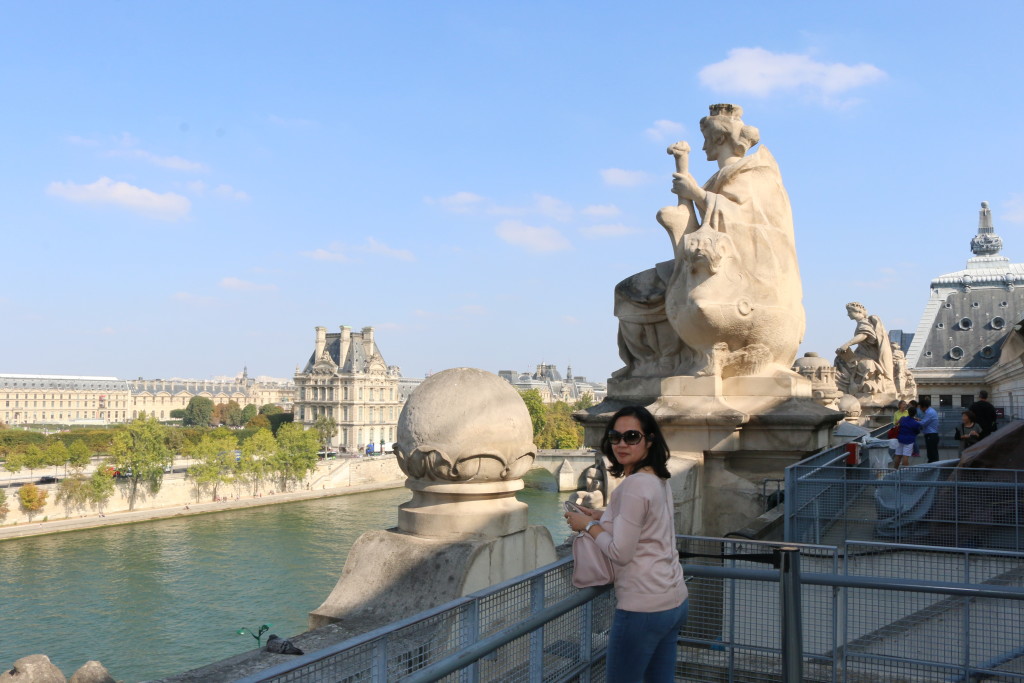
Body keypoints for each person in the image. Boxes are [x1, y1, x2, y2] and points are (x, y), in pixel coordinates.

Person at [564, 406, 687, 681]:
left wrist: (588, 526)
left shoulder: (633, 486)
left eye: (631, 436)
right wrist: (601, 516)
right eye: (615, 436)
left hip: (643, 607)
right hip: (674, 599)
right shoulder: (655, 477)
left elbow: (620, 553)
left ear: (650, 439)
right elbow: (646, 525)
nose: (621, 444)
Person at [917, 397, 940, 463]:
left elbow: (923, 423)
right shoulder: (931, 411)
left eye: (920, 407)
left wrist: (913, 421)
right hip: (933, 435)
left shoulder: (929, 412)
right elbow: (926, 421)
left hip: (931, 435)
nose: (920, 409)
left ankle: (933, 466)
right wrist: (920, 420)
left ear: (924, 407)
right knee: (933, 452)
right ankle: (934, 465)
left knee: (931, 453)